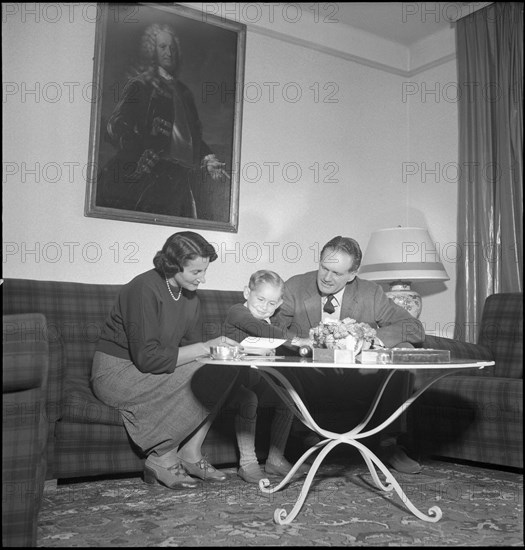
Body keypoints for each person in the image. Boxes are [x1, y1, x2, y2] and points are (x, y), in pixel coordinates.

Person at [91, 231, 240, 489]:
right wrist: (204, 347)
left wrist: (219, 351)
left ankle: (191, 453)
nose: (202, 279)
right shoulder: (143, 288)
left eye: (205, 271)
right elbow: (146, 359)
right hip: (115, 373)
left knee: (222, 367)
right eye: (196, 272)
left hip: (147, 368)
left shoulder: (190, 296)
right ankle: (162, 457)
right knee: (206, 369)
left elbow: (190, 348)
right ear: (172, 265)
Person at [272, 236, 425, 474]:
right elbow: (273, 329)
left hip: (359, 378)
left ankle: (389, 445)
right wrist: (305, 344)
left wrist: (373, 339)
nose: (326, 277)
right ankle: (308, 441)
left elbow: (413, 328)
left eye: (336, 272)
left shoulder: (370, 293)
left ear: (352, 274)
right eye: (324, 267)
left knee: (403, 354)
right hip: (310, 375)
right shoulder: (295, 286)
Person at [96, 23, 228, 218]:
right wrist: (139, 149)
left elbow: (191, 138)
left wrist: (209, 158)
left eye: (172, 47)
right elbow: (116, 125)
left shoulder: (184, 93)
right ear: (153, 51)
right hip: (148, 176)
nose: (169, 52)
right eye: (163, 47)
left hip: (180, 179)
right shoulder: (140, 85)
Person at [223, 270, 311, 483]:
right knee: (249, 399)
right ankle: (248, 463)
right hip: (229, 382)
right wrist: (298, 340)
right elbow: (259, 329)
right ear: (247, 293)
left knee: (287, 398)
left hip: (258, 380)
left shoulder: (273, 322)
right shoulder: (237, 312)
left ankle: (275, 459)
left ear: (279, 303)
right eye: (260, 299)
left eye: (271, 303)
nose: (264, 307)